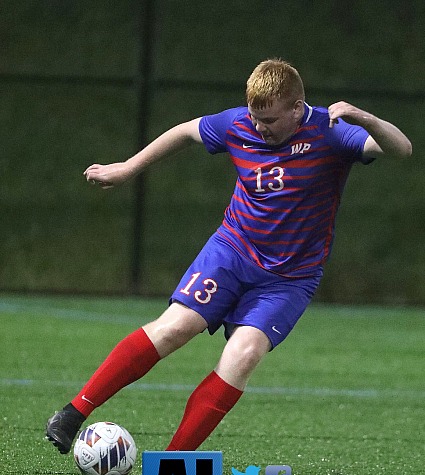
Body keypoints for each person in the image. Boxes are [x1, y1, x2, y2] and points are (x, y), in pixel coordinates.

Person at [46, 59, 412, 454]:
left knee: (244, 354)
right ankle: (74, 412)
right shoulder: (237, 124)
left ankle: (173, 464)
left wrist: (365, 118)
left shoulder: (331, 131)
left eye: (269, 119)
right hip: (231, 252)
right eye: (255, 117)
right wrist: (128, 169)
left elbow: (401, 148)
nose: (259, 127)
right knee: (174, 328)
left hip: (289, 279)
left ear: (296, 107)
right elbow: (186, 132)